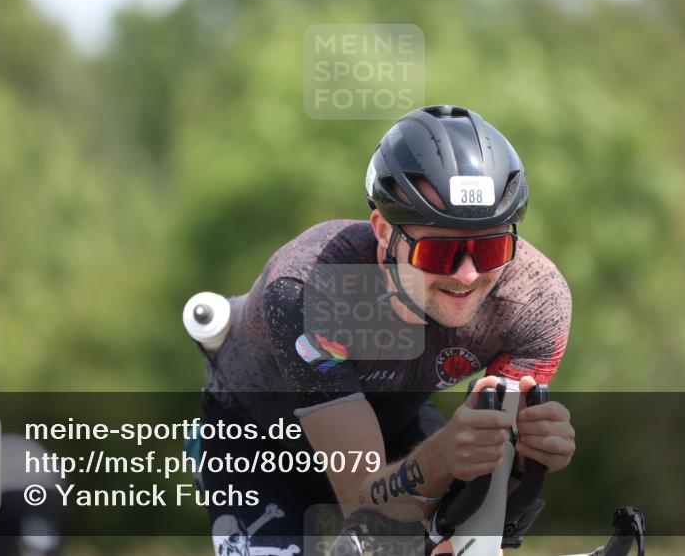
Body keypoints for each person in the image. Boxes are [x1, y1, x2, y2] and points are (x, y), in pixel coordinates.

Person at [191, 105, 576, 555]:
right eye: (439, 253)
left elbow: (487, 502)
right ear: (382, 231)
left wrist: (524, 463)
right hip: (261, 445)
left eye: (490, 248)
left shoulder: (536, 300)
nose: (468, 275)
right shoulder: (309, 287)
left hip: (397, 423)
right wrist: (443, 455)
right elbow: (363, 504)